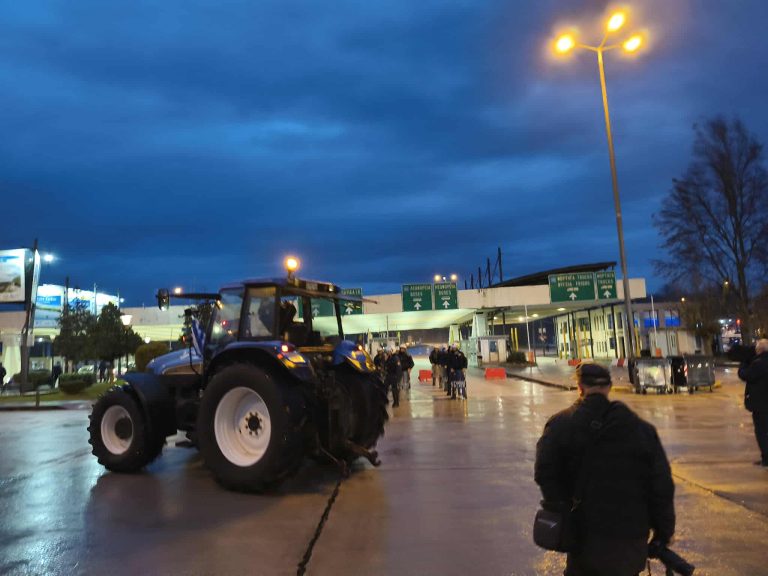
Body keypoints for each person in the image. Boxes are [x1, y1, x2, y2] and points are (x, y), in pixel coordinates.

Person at [534, 363, 675, 576]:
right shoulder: (640, 429)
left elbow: (544, 473)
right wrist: (663, 533)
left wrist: (564, 511)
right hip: (631, 539)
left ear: (580, 387)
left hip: (584, 538)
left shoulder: (561, 425)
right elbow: (661, 485)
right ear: (609, 387)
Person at [738, 338, 768, 467]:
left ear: (759, 350)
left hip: (761, 404)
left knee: (762, 432)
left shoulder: (758, 363)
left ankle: (766, 458)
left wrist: (744, 362)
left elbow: (744, 375)